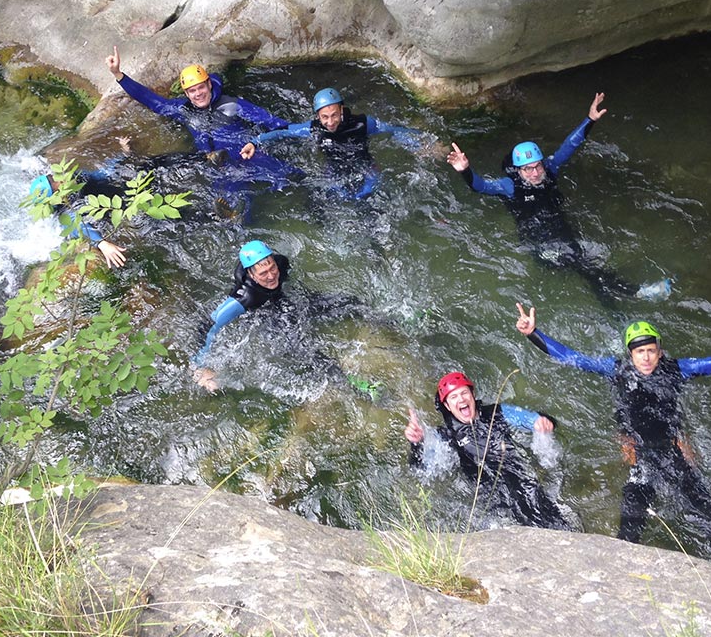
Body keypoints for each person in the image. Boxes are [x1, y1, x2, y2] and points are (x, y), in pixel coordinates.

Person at [515, 302, 711, 575]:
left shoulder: (677, 370)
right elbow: (571, 357)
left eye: (651, 351)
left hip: (670, 448)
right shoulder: (617, 371)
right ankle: (622, 570)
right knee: (631, 519)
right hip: (639, 452)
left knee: (709, 517)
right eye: (639, 352)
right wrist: (533, 334)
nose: (646, 357)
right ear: (630, 355)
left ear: (660, 352)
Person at [446, 92, 669, 304]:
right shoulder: (509, 185)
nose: (534, 173)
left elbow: (569, 146)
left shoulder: (550, 169)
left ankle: (613, 307)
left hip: (559, 227)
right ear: (518, 170)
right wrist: (465, 170)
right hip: (538, 240)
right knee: (585, 265)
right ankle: (636, 293)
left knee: (587, 267)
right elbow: (481, 186)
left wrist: (589, 120)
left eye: (537, 166)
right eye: (527, 170)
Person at [105, 47, 299, 211]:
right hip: (218, 167)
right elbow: (152, 101)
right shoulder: (184, 110)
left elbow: (276, 124)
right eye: (192, 91)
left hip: (247, 155)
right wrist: (119, 75)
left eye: (201, 87)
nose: (198, 94)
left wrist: (258, 141)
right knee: (231, 211)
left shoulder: (232, 105)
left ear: (209, 84)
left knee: (294, 178)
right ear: (187, 94)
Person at [191, 240, 381, 398]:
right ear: (251, 274)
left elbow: (287, 280)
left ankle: (386, 321)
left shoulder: (280, 263)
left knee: (349, 301)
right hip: (266, 314)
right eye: (263, 274)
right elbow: (208, 326)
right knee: (305, 349)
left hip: (284, 299)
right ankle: (354, 387)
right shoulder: (244, 298)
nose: (271, 276)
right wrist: (200, 367)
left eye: (272, 268)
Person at [403, 371, 576, 531]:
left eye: (464, 393)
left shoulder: (497, 413)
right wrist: (417, 443)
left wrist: (542, 422)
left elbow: (528, 418)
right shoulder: (446, 435)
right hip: (490, 496)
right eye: (454, 397)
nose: (461, 399)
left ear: (472, 395)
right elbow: (420, 470)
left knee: (554, 520)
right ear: (447, 406)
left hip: (521, 481)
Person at [240, 87, 431, 199]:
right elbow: (283, 133)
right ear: (317, 116)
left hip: (366, 168)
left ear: (342, 109)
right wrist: (255, 143)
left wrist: (421, 142)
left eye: (334, 115)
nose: (330, 122)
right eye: (324, 117)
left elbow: (393, 130)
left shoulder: (362, 124)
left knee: (370, 199)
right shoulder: (314, 129)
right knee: (325, 199)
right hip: (334, 171)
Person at [28, 169, 130, 268]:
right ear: (55, 196)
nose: (58, 178)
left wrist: (121, 161)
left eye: (51, 177)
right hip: (109, 214)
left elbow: (101, 174)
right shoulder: (66, 214)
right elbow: (78, 226)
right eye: (53, 181)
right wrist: (101, 243)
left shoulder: (76, 179)